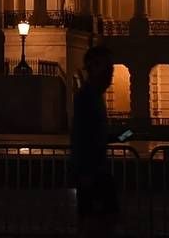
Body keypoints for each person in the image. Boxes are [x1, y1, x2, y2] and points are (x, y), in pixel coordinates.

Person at [70, 46, 120, 236]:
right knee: (96, 223)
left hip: (95, 171)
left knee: (102, 221)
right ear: (95, 68)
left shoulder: (94, 97)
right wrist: (84, 173)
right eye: (108, 70)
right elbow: (82, 137)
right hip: (91, 173)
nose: (110, 75)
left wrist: (127, 135)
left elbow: (101, 135)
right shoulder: (87, 98)